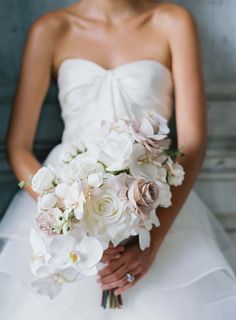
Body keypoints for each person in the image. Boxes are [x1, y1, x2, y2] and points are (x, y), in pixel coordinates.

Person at [1, 0, 236, 319]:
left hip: (155, 202)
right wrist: (69, 217)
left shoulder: (172, 22)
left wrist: (150, 243)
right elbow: (17, 145)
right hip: (66, 197)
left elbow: (192, 144)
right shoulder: (51, 29)